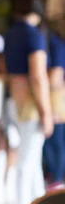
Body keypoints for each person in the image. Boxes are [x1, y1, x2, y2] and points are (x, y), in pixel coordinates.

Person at [4, 0, 54, 204]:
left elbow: (4, 66)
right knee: (27, 161)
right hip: (30, 105)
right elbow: (38, 76)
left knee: (29, 159)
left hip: (13, 101)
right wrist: (47, 113)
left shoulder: (11, 33)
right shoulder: (34, 35)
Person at [43, 31, 65, 189]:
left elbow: (55, 78)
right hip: (55, 99)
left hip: (56, 100)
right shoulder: (55, 44)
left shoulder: (56, 46)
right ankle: (54, 177)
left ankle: (56, 180)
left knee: (54, 141)